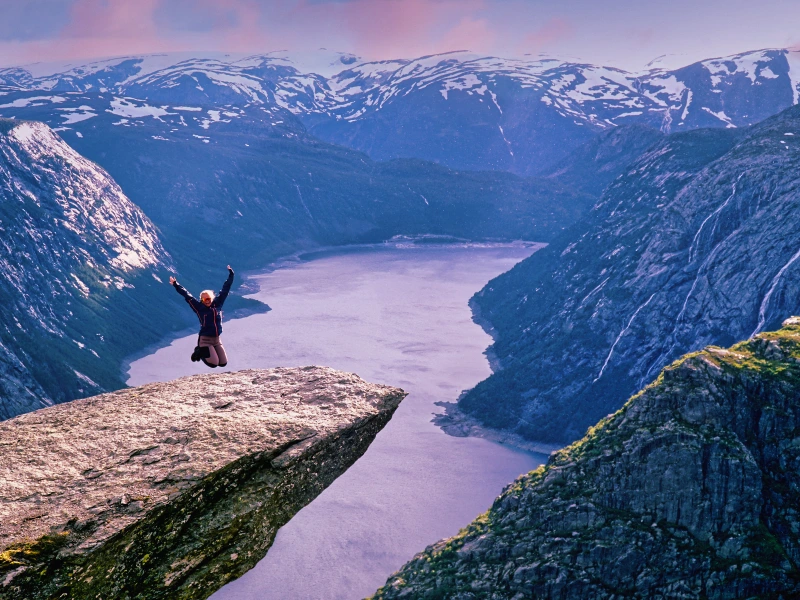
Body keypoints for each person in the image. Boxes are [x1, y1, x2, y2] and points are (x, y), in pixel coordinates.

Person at [169, 265, 234, 368]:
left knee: (223, 363)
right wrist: (176, 285)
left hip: (217, 340)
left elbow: (225, 289)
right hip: (205, 340)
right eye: (204, 300)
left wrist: (231, 275)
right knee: (213, 364)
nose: (207, 301)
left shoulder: (218, 304)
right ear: (201, 300)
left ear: (212, 298)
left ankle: (208, 351)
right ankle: (199, 350)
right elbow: (187, 295)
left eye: (208, 299)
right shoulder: (199, 307)